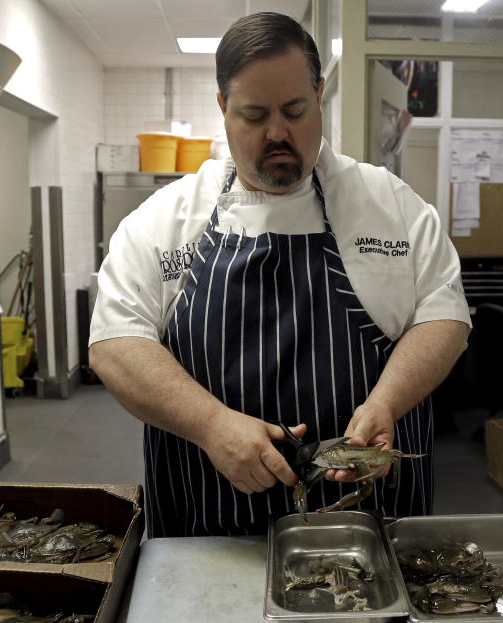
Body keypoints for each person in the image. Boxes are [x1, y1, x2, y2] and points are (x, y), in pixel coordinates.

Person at [89, 12, 471, 538]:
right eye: (253, 115)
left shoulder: (391, 208)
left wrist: (387, 401)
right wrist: (212, 424)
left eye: (295, 110)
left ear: (319, 95)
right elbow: (115, 343)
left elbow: (443, 314)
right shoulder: (162, 223)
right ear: (223, 109)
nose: (277, 133)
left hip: (365, 526)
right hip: (209, 524)